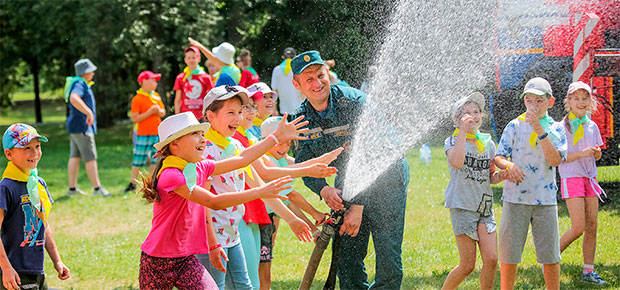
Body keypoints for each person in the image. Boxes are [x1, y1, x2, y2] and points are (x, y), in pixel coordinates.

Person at [137, 111, 306, 289]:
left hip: (186, 258)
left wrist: (275, 137)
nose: (203, 139)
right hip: (157, 261)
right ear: (175, 144)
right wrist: (260, 191)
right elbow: (213, 202)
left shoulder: (199, 167)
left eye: (202, 134)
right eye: (194, 134)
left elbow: (242, 159)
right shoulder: (171, 175)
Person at [290, 51, 410, 289]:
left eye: (320, 75)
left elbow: (371, 155)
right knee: (347, 258)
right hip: (350, 185)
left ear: (328, 73)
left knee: (387, 257)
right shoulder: (301, 118)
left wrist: (357, 206)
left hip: (387, 180)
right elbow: (304, 163)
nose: (317, 83)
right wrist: (323, 190)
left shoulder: (354, 103)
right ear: (297, 84)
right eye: (309, 79)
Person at [195, 85, 314, 290]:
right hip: (210, 240)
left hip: (232, 236)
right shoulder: (204, 151)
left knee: (245, 286)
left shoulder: (237, 146)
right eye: (230, 112)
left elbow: (260, 187)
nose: (237, 118)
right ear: (210, 116)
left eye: (239, 112)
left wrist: (292, 219)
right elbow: (202, 203)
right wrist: (212, 242)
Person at [232, 97, 341, 289]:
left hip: (259, 217)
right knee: (249, 275)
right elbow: (280, 184)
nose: (248, 112)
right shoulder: (249, 145)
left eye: (250, 107)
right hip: (247, 217)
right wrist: (313, 215)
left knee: (256, 273)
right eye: (239, 109)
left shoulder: (248, 139)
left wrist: (322, 160)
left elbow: (294, 167)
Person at [494, 77, 567, 290]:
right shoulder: (515, 125)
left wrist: (539, 130)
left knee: (550, 256)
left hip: (545, 200)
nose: (533, 105)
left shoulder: (556, 129)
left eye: (539, 101)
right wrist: (508, 166)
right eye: (529, 100)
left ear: (550, 102)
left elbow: (555, 160)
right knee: (509, 253)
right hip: (515, 198)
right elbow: (499, 157)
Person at [257, 116, 331, 290]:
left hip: (268, 219)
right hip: (259, 221)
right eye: (280, 143)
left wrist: (313, 224)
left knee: (265, 267)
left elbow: (290, 197)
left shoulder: (279, 159)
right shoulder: (266, 161)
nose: (285, 148)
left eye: (288, 143)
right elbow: (291, 196)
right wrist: (315, 216)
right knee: (262, 271)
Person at [441, 92, 502, 290]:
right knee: (467, 265)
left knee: (492, 259)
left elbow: (490, 175)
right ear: (457, 120)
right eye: (466, 113)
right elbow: (457, 163)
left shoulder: (488, 143)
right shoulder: (452, 141)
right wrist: (462, 132)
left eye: (476, 111)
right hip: (462, 205)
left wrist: (501, 176)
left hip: (484, 206)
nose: (473, 116)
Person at [1, 123, 70, 290]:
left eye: (37, 146)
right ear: (9, 153)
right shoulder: (6, 188)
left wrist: (57, 260)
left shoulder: (38, 184)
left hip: (37, 271)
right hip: (15, 272)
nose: (35, 153)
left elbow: (44, 225)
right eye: (27, 148)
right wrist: (6, 268)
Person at [558, 81, 607, 285]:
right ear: (568, 102)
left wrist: (596, 154)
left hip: (590, 179)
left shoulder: (592, 125)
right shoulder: (561, 127)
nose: (581, 102)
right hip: (572, 177)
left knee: (592, 226)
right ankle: (550, 259)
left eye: (584, 98)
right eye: (576, 98)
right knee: (578, 227)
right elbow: (559, 157)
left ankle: (588, 271)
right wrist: (582, 154)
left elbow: (597, 154)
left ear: (590, 101)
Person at [64, 58, 110, 197]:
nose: (93, 74)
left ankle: (72, 190)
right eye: (91, 71)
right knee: (90, 157)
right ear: (85, 72)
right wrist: (88, 112)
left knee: (74, 156)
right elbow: (74, 98)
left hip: (75, 127)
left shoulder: (77, 83)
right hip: (83, 127)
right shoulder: (80, 83)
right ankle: (97, 189)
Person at [124, 71, 166, 193]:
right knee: (139, 159)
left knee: (155, 159)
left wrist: (158, 111)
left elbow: (162, 112)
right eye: (152, 80)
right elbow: (135, 118)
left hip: (156, 133)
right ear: (143, 82)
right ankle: (133, 183)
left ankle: (152, 182)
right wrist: (150, 112)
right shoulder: (137, 99)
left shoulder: (156, 96)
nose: (155, 83)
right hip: (142, 134)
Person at [173, 46, 214, 120]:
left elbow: (211, 98)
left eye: (194, 57)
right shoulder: (181, 78)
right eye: (189, 58)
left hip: (202, 117)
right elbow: (177, 100)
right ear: (185, 60)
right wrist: (177, 117)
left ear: (199, 59)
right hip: (185, 117)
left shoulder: (206, 77)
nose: (191, 60)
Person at [271, 47, 304, 115]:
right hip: (299, 109)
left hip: (284, 111)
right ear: (295, 56)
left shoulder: (276, 70)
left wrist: (274, 109)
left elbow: (274, 91)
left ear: (283, 57)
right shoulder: (298, 69)